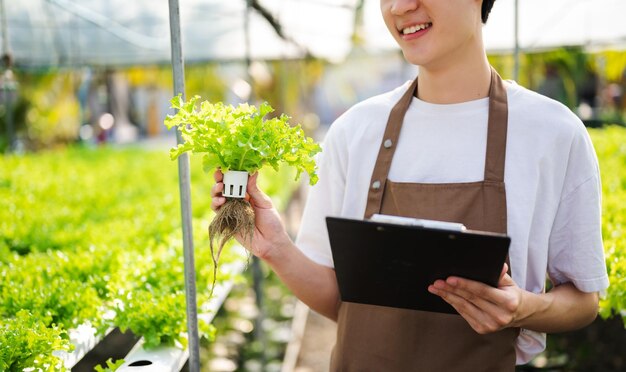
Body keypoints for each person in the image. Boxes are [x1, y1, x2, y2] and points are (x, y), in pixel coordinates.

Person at [211, 0, 609, 370]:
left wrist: (523, 307)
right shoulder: (355, 131)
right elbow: (340, 299)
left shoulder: (553, 134)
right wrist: (276, 246)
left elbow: (583, 300)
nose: (400, 7)